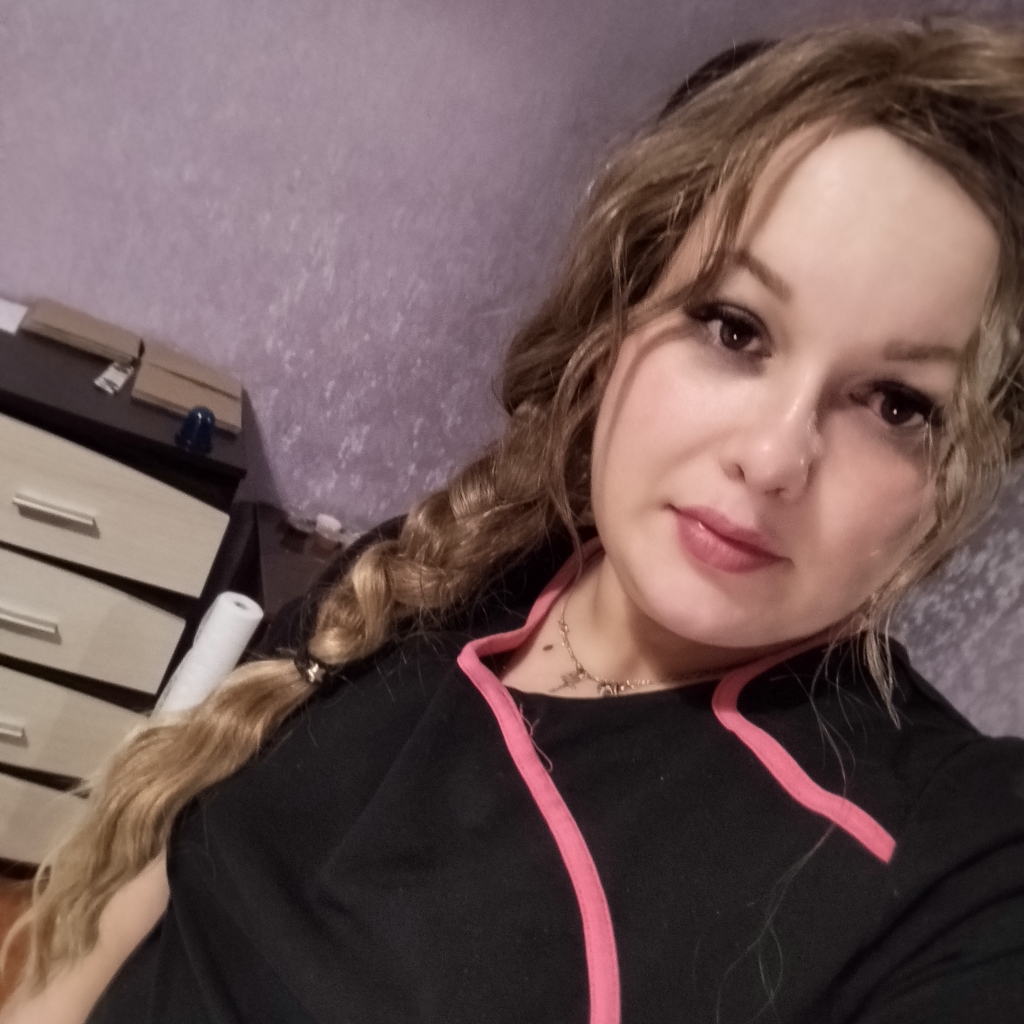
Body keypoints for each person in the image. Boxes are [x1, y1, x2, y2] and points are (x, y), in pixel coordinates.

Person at [3, 14, 1024, 1024]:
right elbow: (158, 878)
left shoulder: (945, 862)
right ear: (619, 319)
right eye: (734, 328)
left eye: (898, 405)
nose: (772, 458)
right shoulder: (440, 564)